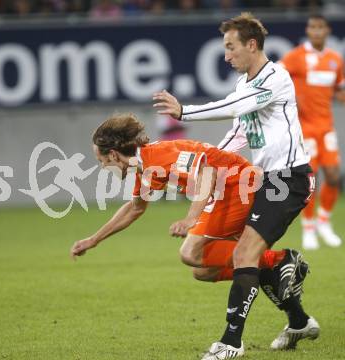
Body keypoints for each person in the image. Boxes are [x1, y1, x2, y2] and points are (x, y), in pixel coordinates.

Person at [70, 113, 314, 355]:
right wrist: (94, 239)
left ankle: (279, 261)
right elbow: (135, 209)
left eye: (101, 160)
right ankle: (298, 318)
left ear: (113, 154)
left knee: (191, 252)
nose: (103, 166)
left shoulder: (158, 156)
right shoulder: (145, 167)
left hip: (235, 188)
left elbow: (207, 172)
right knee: (205, 270)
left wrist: (191, 218)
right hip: (229, 191)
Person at [153, 12, 319, 359]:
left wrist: (185, 111)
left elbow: (234, 108)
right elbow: (237, 134)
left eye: (230, 47)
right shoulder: (245, 87)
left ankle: (231, 342)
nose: (226, 56)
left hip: (289, 180)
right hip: (264, 182)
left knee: (244, 255)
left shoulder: (276, 78)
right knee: (205, 266)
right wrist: (207, 161)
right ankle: (298, 318)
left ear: (252, 45)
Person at [280, 14, 345, 250]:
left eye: (320, 27)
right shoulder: (296, 56)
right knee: (311, 178)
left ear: (327, 31)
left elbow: (338, 89)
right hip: (304, 128)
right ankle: (308, 228)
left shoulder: (335, 59)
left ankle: (324, 222)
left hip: (326, 127)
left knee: (335, 175)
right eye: (312, 27)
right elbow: (275, 74)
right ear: (308, 31)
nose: (315, 31)